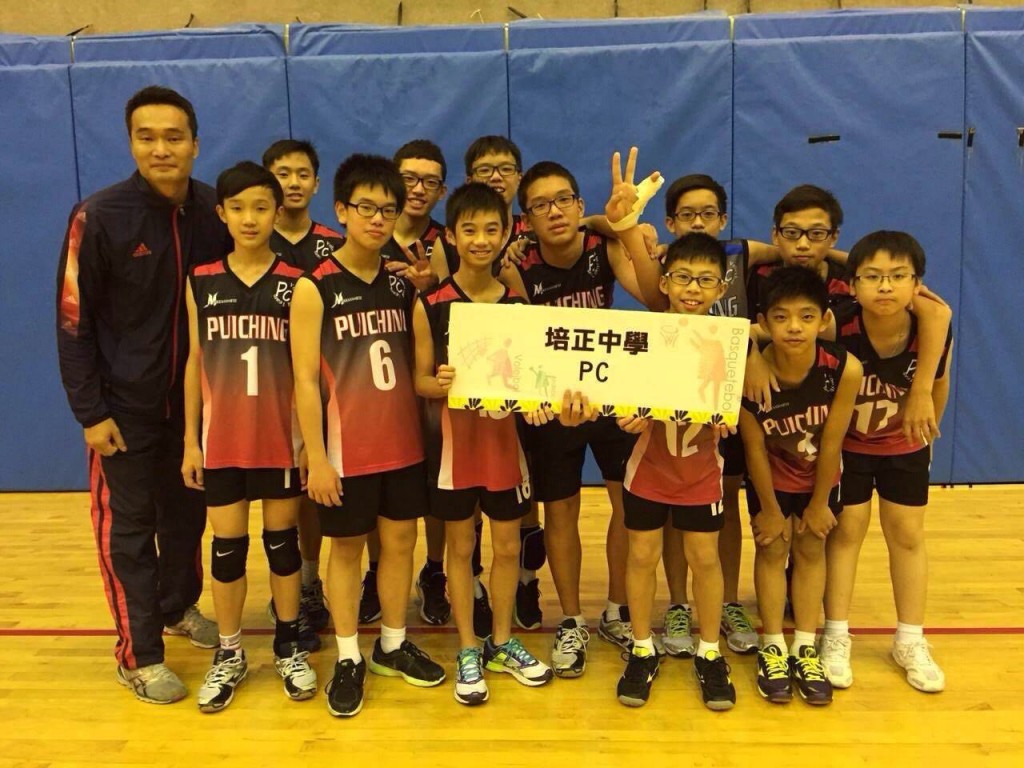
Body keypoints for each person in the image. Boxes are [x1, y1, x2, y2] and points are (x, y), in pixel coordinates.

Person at [56, 85, 224, 704]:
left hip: (194, 410)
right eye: (146, 137)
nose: (161, 149)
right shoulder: (99, 216)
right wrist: (90, 411)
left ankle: (177, 607)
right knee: (128, 530)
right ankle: (139, 655)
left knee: (186, 520)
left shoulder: (215, 211)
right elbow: (72, 319)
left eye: (173, 137)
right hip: (123, 411)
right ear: (130, 143)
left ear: (195, 144)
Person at [290, 154, 443, 718]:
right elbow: (303, 381)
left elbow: (421, 366)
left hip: (402, 444)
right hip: (345, 450)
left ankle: (393, 644)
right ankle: (349, 655)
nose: (378, 219)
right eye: (366, 208)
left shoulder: (403, 288)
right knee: (348, 550)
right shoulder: (315, 287)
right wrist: (316, 457)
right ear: (341, 210)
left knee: (400, 543)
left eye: (388, 210)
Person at [499, 149, 661, 676]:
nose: (554, 211)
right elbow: (523, 343)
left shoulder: (602, 245)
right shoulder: (517, 265)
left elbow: (655, 298)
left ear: (579, 204)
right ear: (526, 218)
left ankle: (615, 609)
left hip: (611, 393)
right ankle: (570, 619)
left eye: (563, 200)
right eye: (540, 205)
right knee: (560, 511)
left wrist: (626, 226)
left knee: (626, 506)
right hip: (554, 402)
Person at [181, 161, 317, 712]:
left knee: (283, 546)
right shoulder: (201, 279)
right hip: (222, 442)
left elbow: (307, 375)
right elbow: (195, 362)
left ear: (277, 212)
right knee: (227, 551)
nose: (250, 218)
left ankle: (288, 646)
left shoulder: (296, 284)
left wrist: (309, 445)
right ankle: (231, 651)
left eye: (261, 207)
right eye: (237, 208)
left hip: (278, 441)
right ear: (221, 213)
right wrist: (190, 441)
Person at [413, 182, 555, 705]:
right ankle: (468, 647)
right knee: (460, 547)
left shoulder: (517, 305)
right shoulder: (431, 303)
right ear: (451, 236)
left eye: (491, 230)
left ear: (505, 235)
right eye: (469, 230)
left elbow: (535, 379)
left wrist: (539, 400)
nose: (480, 240)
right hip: (455, 448)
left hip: (503, 447)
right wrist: (441, 383)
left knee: (508, 546)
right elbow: (419, 381)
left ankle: (501, 640)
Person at [821, 231, 952, 693]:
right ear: (852, 284)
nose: (885, 286)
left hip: (902, 447)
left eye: (898, 276)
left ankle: (910, 639)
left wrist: (924, 430)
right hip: (849, 448)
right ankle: (836, 635)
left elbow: (939, 383)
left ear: (917, 284)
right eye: (872, 276)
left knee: (907, 535)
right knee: (846, 534)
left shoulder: (932, 326)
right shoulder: (837, 325)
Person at [615, 233, 737, 711]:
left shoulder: (730, 342)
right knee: (642, 555)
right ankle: (642, 648)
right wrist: (628, 415)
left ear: (721, 288)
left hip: (701, 472)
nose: (693, 288)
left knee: (705, 559)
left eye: (705, 280)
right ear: (664, 282)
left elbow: (733, 404)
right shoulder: (643, 338)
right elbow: (624, 399)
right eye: (683, 277)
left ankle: (710, 652)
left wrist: (729, 415)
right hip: (648, 469)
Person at [738, 266, 863, 706]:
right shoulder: (749, 373)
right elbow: (754, 448)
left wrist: (820, 502)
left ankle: (805, 646)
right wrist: (770, 510)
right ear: (764, 322)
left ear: (824, 319)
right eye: (781, 317)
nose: (794, 327)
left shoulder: (845, 368)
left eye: (806, 316)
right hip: (770, 478)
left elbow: (832, 442)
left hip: (820, 478)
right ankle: (773, 645)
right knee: (772, 549)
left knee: (811, 548)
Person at [361, 138, 450, 629]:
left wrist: (430, 287)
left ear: (441, 191)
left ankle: (434, 571)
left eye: (429, 182)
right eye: (409, 178)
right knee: (379, 491)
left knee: (438, 488)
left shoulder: (446, 242)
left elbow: (457, 310)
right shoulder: (366, 234)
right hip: (375, 390)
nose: (418, 189)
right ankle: (376, 572)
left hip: (432, 386)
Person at [263, 138, 343, 646]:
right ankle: (286, 591)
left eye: (302, 174)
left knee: (312, 492)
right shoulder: (251, 237)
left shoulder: (334, 245)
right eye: (282, 173)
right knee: (279, 501)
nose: (293, 182)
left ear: (316, 183)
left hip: (318, 392)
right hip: (266, 392)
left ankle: (310, 582)